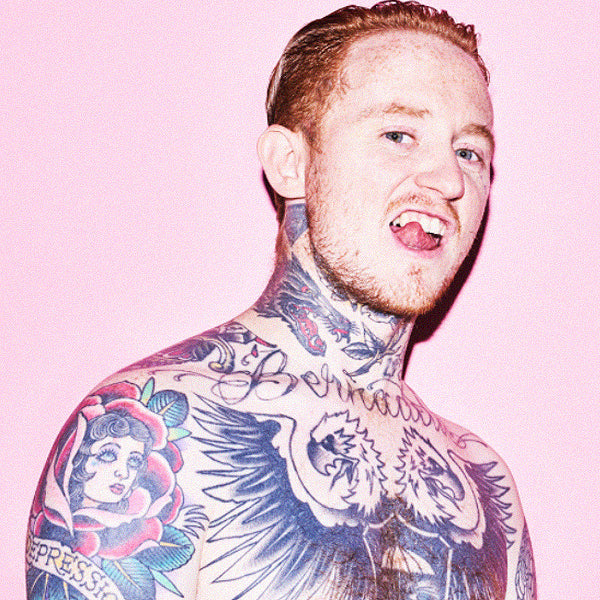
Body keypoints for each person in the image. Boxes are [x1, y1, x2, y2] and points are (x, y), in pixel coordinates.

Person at [26, 2, 537, 599]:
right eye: (399, 135)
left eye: (469, 152)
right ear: (291, 164)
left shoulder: (487, 487)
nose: (448, 180)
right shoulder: (153, 428)